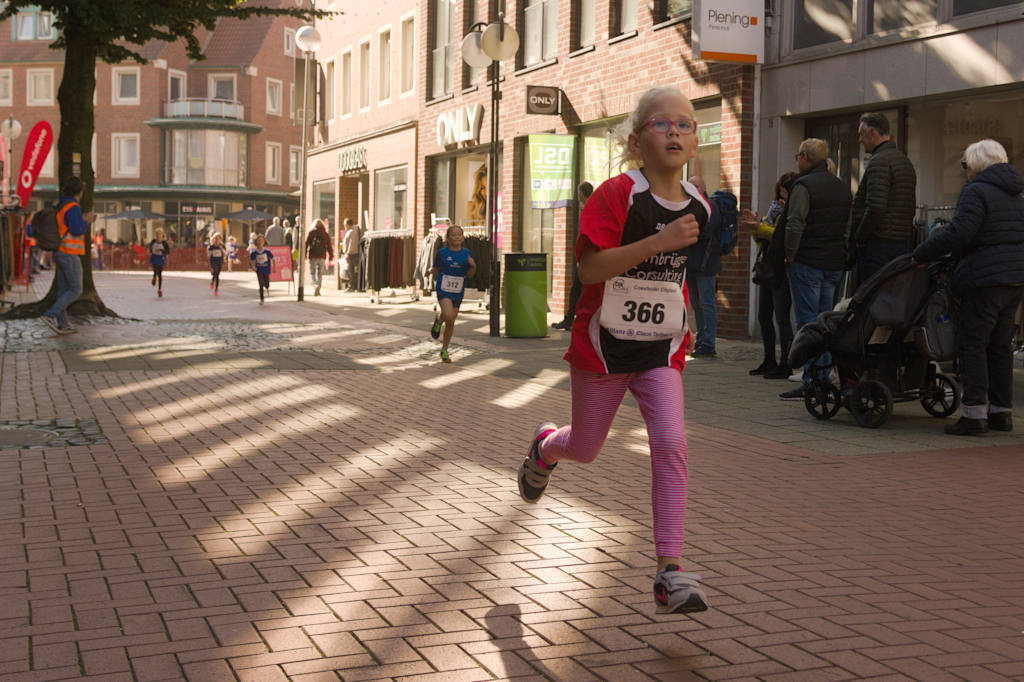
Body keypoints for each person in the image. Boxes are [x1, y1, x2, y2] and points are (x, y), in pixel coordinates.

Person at [516, 86, 708, 615]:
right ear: (636, 139)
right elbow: (589, 270)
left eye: (685, 125)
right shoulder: (615, 194)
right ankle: (544, 447)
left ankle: (670, 573)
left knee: (671, 445)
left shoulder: (701, 205)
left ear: (694, 144)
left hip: (660, 351)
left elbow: (677, 277)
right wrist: (657, 242)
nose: (674, 131)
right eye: (661, 123)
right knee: (586, 448)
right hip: (603, 349)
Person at [912, 139, 1024, 435]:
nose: (964, 172)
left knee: (973, 343)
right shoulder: (1016, 193)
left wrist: (921, 253)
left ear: (976, 165)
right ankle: (1002, 413)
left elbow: (959, 232)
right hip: (1014, 278)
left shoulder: (976, 192)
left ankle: (974, 415)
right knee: (1001, 346)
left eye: (965, 166)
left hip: (983, 279)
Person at [776, 139, 852, 401]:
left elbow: (795, 222)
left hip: (808, 261)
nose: (797, 160)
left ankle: (813, 381)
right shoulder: (842, 187)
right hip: (833, 263)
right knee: (827, 322)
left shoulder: (804, 184)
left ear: (805, 157)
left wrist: (789, 254)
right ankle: (826, 377)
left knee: (809, 324)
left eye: (798, 155)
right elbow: (848, 226)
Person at [851, 112, 917, 286]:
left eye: (861, 134)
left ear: (872, 133)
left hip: (878, 245)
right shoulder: (904, 161)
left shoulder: (880, 161)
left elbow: (876, 207)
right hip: (900, 243)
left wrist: (860, 236)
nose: (860, 139)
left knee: (873, 297)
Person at [742, 172, 796, 375]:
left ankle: (786, 363)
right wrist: (755, 228)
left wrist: (760, 227)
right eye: (781, 189)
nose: (782, 194)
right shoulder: (774, 210)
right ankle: (769, 359)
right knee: (764, 316)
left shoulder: (792, 210)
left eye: (786, 189)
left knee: (782, 317)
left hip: (783, 267)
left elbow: (782, 237)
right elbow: (763, 240)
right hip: (768, 267)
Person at [40, 176, 94, 335]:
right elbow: (77, 229)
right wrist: (87, 221)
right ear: (80, 191)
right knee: (76, 289)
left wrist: (81, 220)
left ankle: (63, 323)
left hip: (60, 251)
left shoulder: (61, 205)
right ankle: (50, 315)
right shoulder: (73, 206)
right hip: (69, 253)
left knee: (64, 290)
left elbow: (67, 226)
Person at [683, 175, 723, 358]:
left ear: (704, 187)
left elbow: (705, 232)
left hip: (706, 263)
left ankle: (709, 343)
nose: (693, 189)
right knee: (696, 304)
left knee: (707, 303)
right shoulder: (690, 205)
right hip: (691, 263)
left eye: (696, 186)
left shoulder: (710, 206)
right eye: (690, 186)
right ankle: (700, 340)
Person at [429, 224, 476, 363]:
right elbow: (436, 267)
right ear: (447, 238)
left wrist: (473, 266)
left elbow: (470, 275)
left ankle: (444, 349)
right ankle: (440, 319)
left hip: (458, 291)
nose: (456, 237)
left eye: (459, 235)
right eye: (453, 235)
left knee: (451, 321)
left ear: (462, 238)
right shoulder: (442, 253)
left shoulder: (467, 253)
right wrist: (430, 271)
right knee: (448, 314)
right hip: (443, 288)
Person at [552, 181, 594, 331]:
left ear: (581, 194)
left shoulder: (589, 208)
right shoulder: (593, 206)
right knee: (580, 289)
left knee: (577, 289)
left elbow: (586, 233)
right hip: (590, 255)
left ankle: (570, 319)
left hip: (588, 257)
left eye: (578, 194)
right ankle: (571, 319)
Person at [305, 219, 333, 296]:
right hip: (322, 256)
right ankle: (319, 289)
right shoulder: (325, 234)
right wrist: (331, 255)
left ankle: (315, 284)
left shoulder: (311, 233)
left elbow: (306, 244)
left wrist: (305, 254)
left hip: (313, 255)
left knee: (312, 272)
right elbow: (329, 246)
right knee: (320, 273)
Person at [250, 234, 275, 305]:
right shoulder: (254, 252)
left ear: (264, 242)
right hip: (259, 269)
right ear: (256, 242)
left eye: (261, 240)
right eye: (258, 240)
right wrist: (253, 266)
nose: (260, 242)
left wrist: (274, 268)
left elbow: (273, 259)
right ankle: (262, 299)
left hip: (266, 269)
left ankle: (267, 286)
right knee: (260, 284)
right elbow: (252, 260)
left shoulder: (267, 251)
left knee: (266, 284)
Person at [148, 228, 171, 298]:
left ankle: (159, 289)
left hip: (160, 258)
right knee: (155, 269)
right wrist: (150, 251)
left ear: (162, 235)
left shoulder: (164, 243)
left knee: (160, 273)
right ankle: (154, 277)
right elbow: (150, 248)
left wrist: (161, 250)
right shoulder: (153, 241)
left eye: (160, 234)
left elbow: (168, 252)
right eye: (157, 234)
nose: (159, 235)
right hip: (154, 257)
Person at [341, 218, 361, 292]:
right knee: (350, 271)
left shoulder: (352, 232)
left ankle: (352, 287)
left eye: (345, 224)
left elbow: (352, 244)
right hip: (350, 254)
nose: (344, 226)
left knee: (351, 271)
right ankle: (352, 286)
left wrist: (348, 253)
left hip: (352, 255)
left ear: (348, 224)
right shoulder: (351, 231)